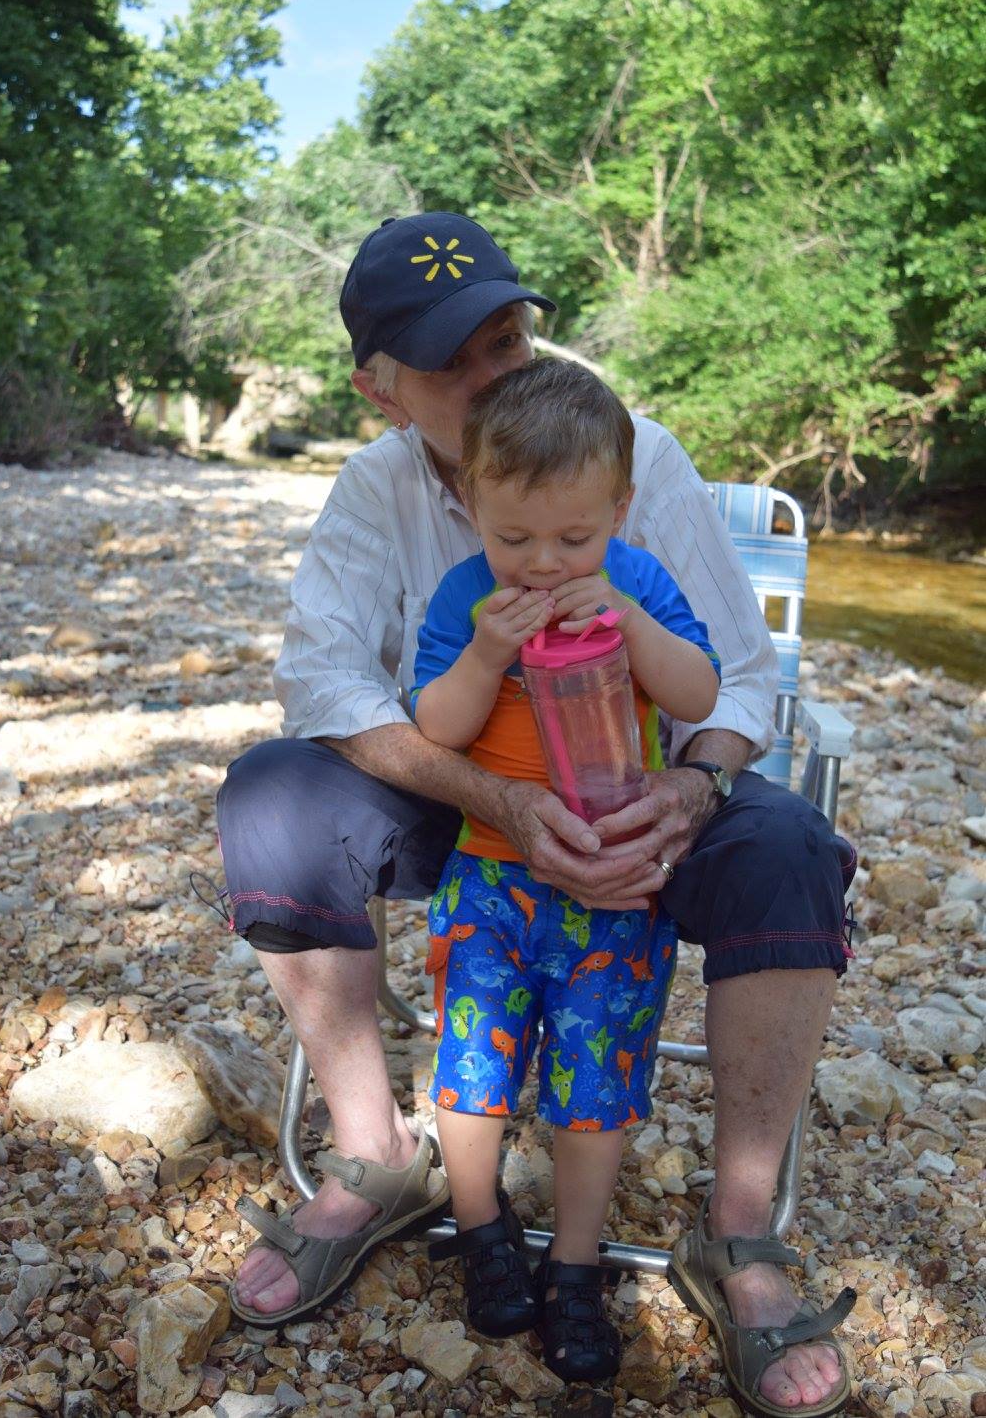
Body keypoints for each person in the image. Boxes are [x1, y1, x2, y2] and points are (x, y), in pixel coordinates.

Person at [219, 211, 856, 1414]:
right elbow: (324, 683)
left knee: (787, 845)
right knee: (274, 796)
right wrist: (492, 794)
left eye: (504, 336)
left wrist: (690, 789)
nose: (492, 371)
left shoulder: (632, 457)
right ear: (379, 390)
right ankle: (378, 1155)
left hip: (640, 795)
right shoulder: (376, 490)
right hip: (473, 813)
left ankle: (738, 1231)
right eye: (451, 358)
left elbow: (742, 680)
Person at [412, 358, 721, 1381]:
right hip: (490, 881)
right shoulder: (468, 597)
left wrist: (631, 624)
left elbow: (700, 690)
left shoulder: (634, 583)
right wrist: (482, 658)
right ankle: (482, 1226)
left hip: (612, 882)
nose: (542, 564)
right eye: (514, 538)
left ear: (620, 511)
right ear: (470, 507)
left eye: (573, 537)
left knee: (597, 1084)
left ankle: (578, 1267)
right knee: (472, 1068)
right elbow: (436, 731)